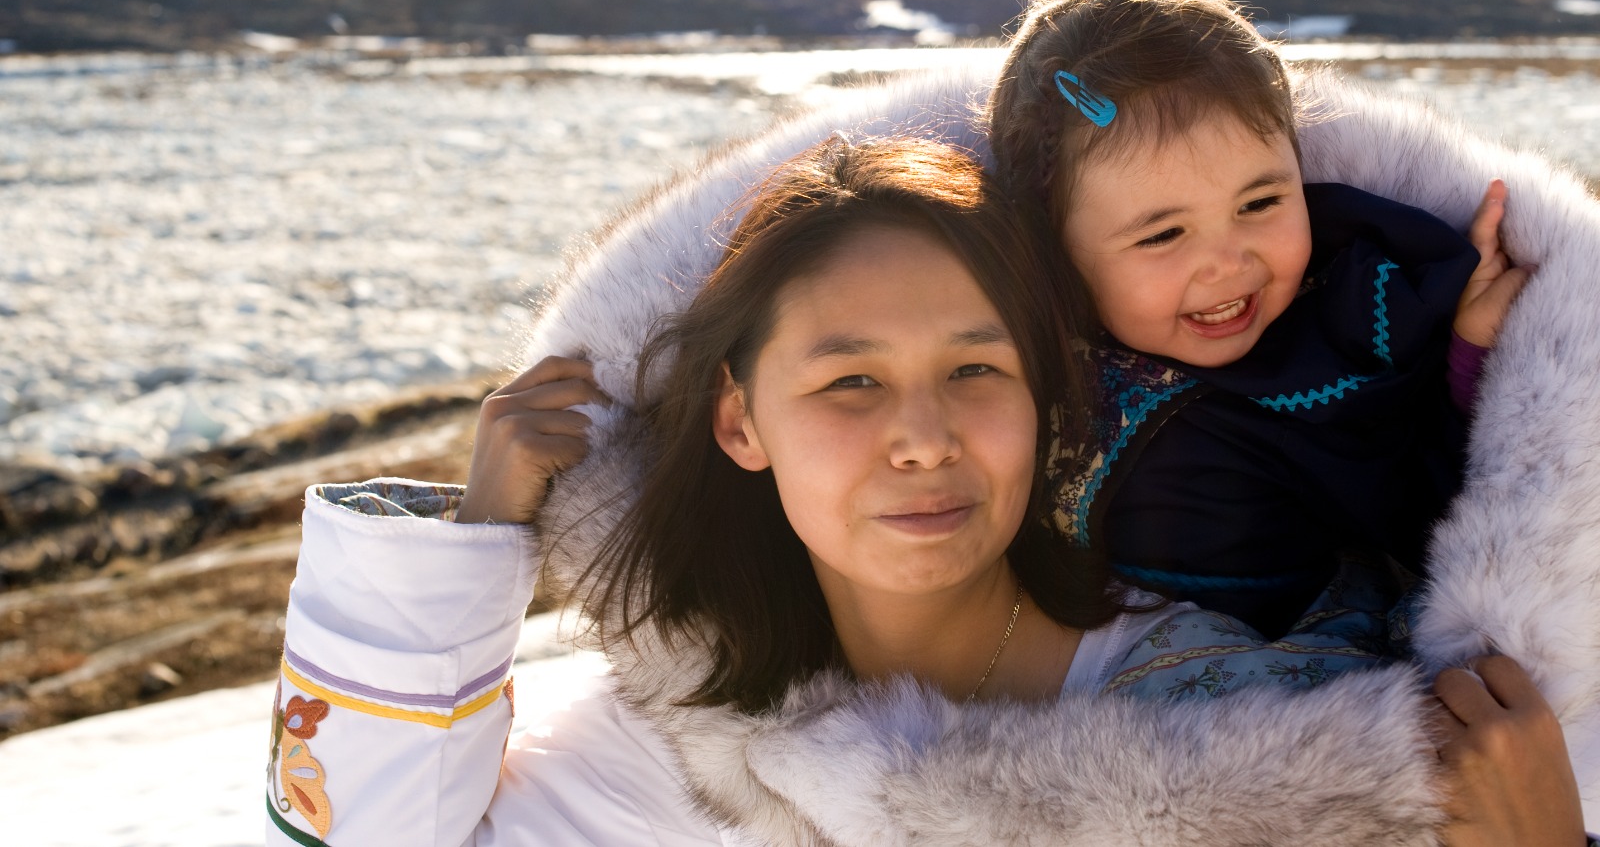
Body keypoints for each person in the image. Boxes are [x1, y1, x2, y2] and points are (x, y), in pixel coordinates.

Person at [264, 136, 1502, 847]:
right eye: (850, 380)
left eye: (975, 368)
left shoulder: (1229, 717)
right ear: (741, 419)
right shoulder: (675, 733)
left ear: (1047, 405)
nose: (922, 438)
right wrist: (483, 529)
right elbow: (357, 833)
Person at [986, 0, 1533, 637]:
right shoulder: (999, 365)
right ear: (1052, 248)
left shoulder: (1353, 314)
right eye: (1162, 234)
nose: (1228, 262)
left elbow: (1431, 512)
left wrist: (1468, 349)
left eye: (1261, 201)